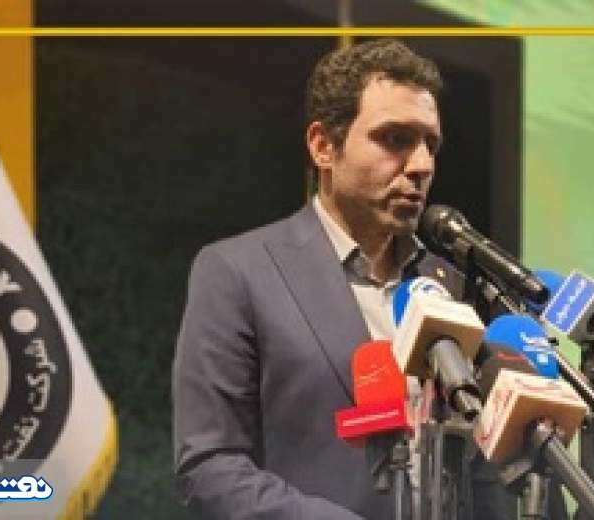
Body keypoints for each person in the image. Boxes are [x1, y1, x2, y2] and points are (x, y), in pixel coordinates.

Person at [172, 38, 515, 519]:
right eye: (395, 139)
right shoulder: (237, 272)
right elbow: (210, 468)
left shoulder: (447, 286)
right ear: (323, 146)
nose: (421, 165)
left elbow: (479, 465)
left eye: (430, 145)